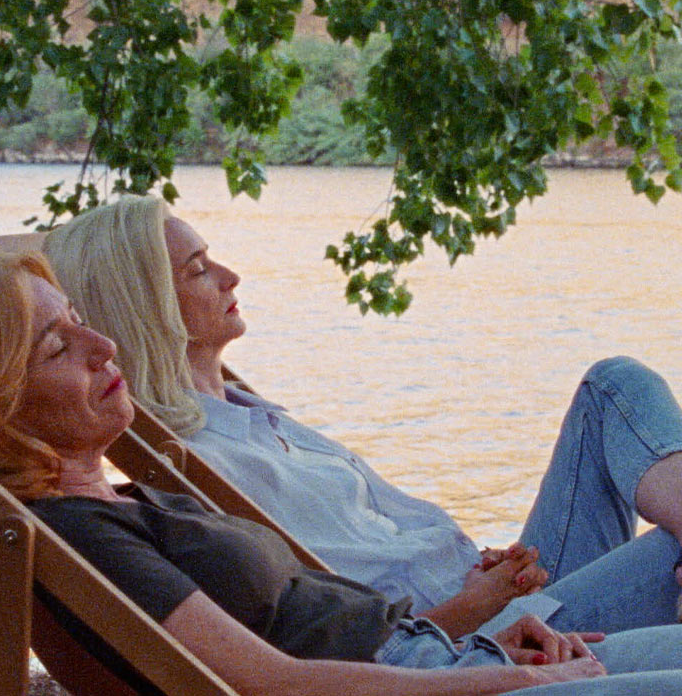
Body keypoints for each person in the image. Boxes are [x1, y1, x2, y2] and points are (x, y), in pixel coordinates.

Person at [0, 249, 682, 696]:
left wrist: (493, 639)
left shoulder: (129, 500)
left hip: (456, 660)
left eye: (84, 325)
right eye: (60, 350)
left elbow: (330, 636)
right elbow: (278, 684)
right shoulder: (79, 537)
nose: (104, 348)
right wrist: (503, 682)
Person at [42, 195, 682, 639]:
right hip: (475, 641)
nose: (232, 277)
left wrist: (479, 569)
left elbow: (378, 544)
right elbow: (347, 632)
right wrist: (474, 602)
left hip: (502, 594)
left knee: (613, 387)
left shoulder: (252, 416)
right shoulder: (202, 464)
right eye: (200, 270)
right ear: (148, 306)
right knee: (667, 555)